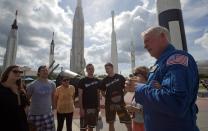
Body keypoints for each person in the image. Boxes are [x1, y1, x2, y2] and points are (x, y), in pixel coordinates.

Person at [125, 26, 199, 131]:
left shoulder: (176, 58)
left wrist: (138, 88)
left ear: (162, 37)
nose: (145, 46)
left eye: (147, 41)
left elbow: (176, 102)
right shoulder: (160, 63)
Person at [101, 62, 132, 131]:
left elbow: (126, 88)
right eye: (106, 69)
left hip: (120, 105)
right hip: (110, 106)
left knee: (127, 121)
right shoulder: (105, 80)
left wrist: (122, 95)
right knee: (111, 122)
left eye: (108, 68)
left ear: (112, 68)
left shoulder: (120, 77)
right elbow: (102, 92)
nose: (106, 70)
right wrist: (108, 98)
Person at [27, 65, 56, 131]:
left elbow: (53, 96)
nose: (45, 72)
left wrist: (54, 109)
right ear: (39, 72)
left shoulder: (52, 84)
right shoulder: (32, 85)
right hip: (34, 115)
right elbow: (27, 99)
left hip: (48, 114)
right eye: (43, 70)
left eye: (46, 70)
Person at [0, 65, 29, 131]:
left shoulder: (21, 88)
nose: (18, 73)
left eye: (20, 72)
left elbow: (23, 105)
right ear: (7, 73)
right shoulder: (1, 88)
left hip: (21, 123)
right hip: (5, 124)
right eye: (15, 71)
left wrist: (19, 94)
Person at [78, 63, 101, 131]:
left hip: (94, 108)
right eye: (89, 69)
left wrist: (99, 106)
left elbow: (98, 94)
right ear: (86, 70)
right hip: (85, 108)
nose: (91, 70)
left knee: (91, 127)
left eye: (92, 69)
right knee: (83, 128)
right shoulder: (82, 81)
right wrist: (81, 109)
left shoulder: (97, 81)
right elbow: (80, 95)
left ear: (94, 70)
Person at [125, 66, 149, 131]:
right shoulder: (138, 90)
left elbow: (152, 111)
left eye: (136, 74)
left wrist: (136, 109)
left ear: (144, 76)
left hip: (145, 124)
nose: (134, 77)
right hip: (136, 122)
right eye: (133, 74)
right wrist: (131, 110)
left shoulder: (149, 90)